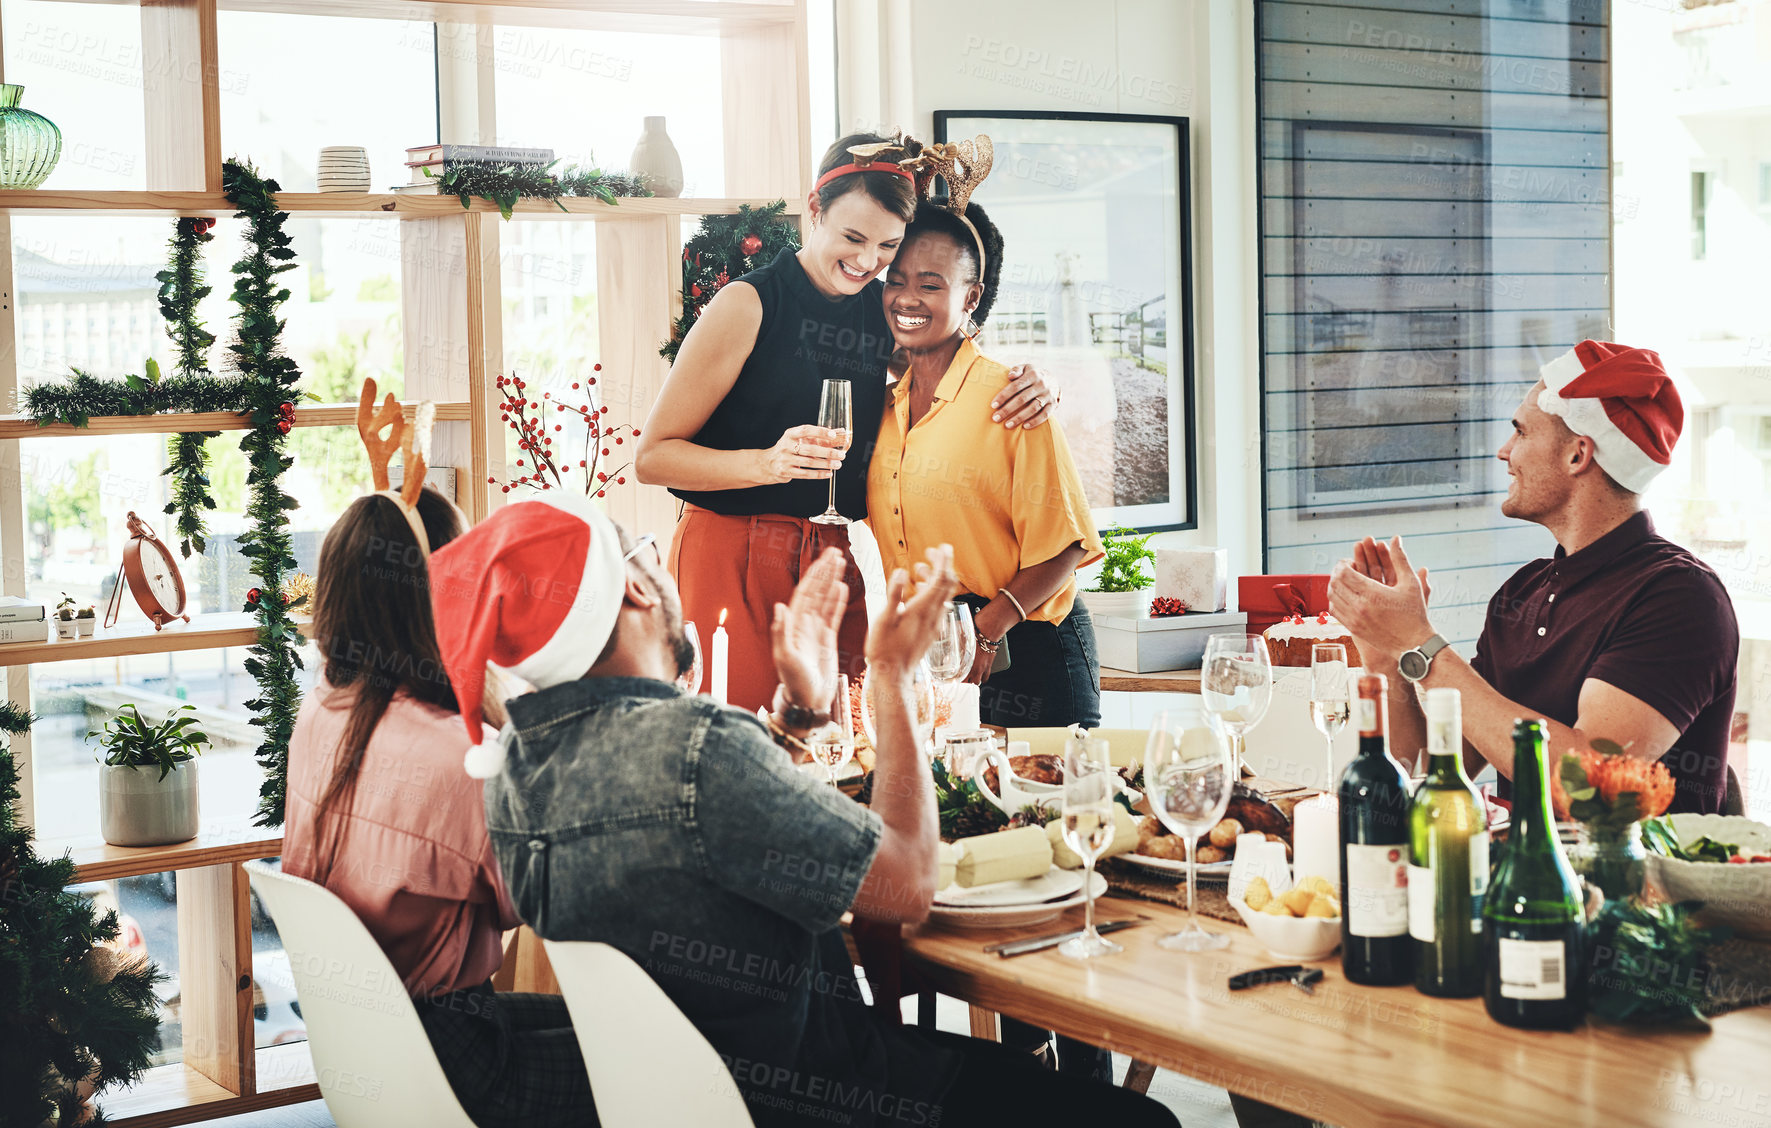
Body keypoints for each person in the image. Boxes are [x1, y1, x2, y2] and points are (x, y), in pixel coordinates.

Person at [427, 495, 1180, 1128]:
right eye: (648, 551)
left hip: (679, 1100)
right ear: (634, 588)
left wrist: (799, 715)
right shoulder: (694, 743)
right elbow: (906, 883)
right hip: (830, 1094)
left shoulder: (519, 767)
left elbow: (707, 841)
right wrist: (889, 674)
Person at [635, 131, 1060, 715]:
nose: (867, 262)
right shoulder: (748, 305)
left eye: (887, 247)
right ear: (815, 210)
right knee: (750, 740)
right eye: (853, 237)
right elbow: (653, 457)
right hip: (729, 553)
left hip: (829, 553)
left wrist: (1043, 383)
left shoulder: (880, 311)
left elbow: (956, 365)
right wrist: (767, 463)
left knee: (845, 743)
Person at [282, 486, 593, 1128]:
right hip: (456, 1064)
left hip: (370, 1046)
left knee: (616, 1030)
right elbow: (538, 902)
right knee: (669, 1051)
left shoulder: (319, 712)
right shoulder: (460, 755)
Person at [1328, 340, 1739, 813]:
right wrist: (1388, 657)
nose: (1504, 452)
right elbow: (1426, 764)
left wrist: (1423, 646)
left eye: (1521, 433)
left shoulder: (1678, 597)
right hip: (1515, 882)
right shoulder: (1523, 592)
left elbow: (1588, 788)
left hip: (1639, 886)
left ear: (1577, 455)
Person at [870, 191, 1104, 730]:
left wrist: (983, 631)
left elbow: (1067, 545)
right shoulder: (885, 405)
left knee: (1046, 807)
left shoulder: (1011, 399)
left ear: (971, 296)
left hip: (1030, 650)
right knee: (960, 810)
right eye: (897, 280)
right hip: (934, 652)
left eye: (931, 284)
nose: (907, 298)